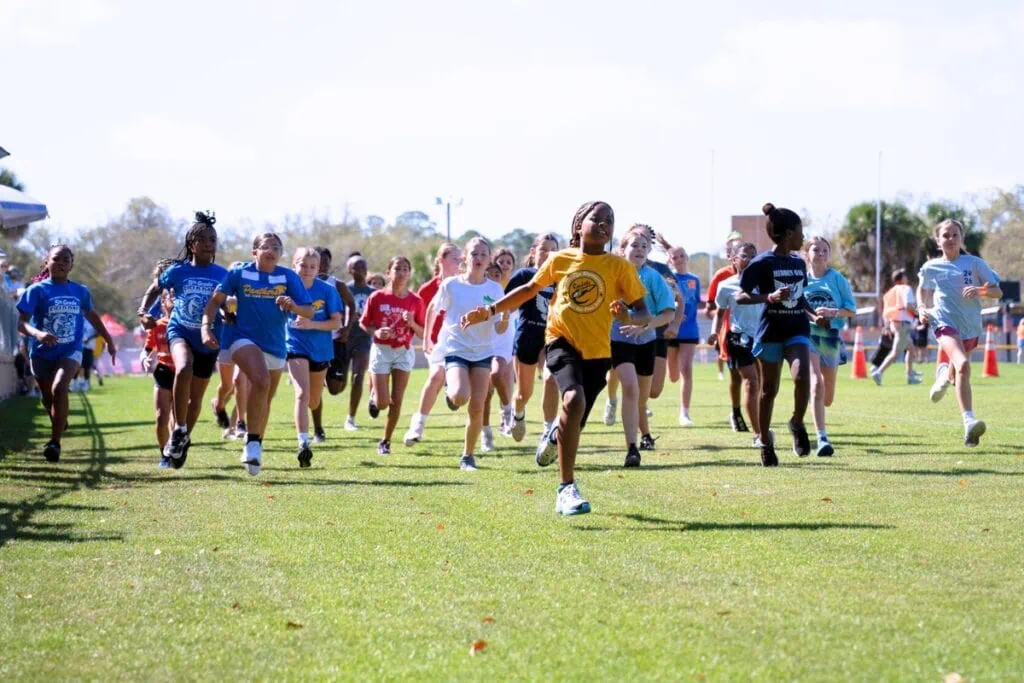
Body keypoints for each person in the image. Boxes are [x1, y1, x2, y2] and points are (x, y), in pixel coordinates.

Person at [462, 201, 649, 515]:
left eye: (610, 220)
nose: (604, 224)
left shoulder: (620, 268)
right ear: (579, 225)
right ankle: (566, 489)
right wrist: (491, 310)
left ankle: (554, 434)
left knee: (574, 422)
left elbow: (644, 313)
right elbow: (528, 290)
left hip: (599, 353)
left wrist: (629, 315)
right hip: (561, 341)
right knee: (573, 400)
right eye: (597, 218)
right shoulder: (560, 259)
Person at [202, 232, 314, 475]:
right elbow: (214, 301)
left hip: (275, 345)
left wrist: (292, 306)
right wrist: (205, 328)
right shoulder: (239, 273)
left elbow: (308, 311)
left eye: (276, 247)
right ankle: (251, 443)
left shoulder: (287, 276)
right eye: (265, 246)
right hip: (240, 337)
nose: (271, 250)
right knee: (260, 381)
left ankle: (255, 447)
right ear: (254, 251)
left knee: (265, 398)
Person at [736, 203, 828, 467]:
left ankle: (797, 424)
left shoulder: (799, 264)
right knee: (769, 390)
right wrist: (769, 296)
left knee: (802, 375)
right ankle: (765, 442)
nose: (803, 237)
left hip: (797, 330)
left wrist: (814, 317)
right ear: (788, 234)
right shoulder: (762, 262)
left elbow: (801, 300)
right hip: (770, 333)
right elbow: (742, 296)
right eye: (800, 232)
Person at [138, 212, 228, 467]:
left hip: (209, 338)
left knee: (196, 399)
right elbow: (155, 288)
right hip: (180, 331)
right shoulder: (177, 271)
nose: (210, 244)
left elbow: (225, 304)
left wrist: (229, 315)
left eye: (213, 239)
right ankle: (177, 428)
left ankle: (184, 436)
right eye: (204, 239)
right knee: (183, 366)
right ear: (192, 244)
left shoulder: (222, 274)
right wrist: (143, 311)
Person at [16, 244, 117, 462]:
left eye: (66, 260)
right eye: (56, 259)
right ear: (47, 262)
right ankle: (60, 418)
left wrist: (109, 339)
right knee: (47, 399)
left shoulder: (80, 291)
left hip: (71, 349)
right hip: (42, 352)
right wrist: (39, 334)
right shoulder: (36, 291)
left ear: (71, 265)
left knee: (60, 387)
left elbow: (92, 316)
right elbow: (21, 324)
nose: (61, 263)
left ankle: (54, 443)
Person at [918, 219, 1001, 447]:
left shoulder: (975, 264)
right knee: (964, 364)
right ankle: (969, 421)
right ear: (938, 240)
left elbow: (997, 291)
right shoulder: (931, 267)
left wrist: (981, 289)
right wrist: (922, 308)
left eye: (955, 235)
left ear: (961, 237)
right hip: (944, 322)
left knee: (957, 373)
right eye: (945, 235)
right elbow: (923, 290)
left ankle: (944, 373)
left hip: (971, 326)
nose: (950, 239)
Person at [433, 237, 506, 470]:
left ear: (489, 260)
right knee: (460, 396)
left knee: (477, 407)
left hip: (483, 352)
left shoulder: (495, 289)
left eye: (484, 254)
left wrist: (504, 315)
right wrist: (430, 340)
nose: (479, 258)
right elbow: (435, 312)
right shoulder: (451, 285)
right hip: (457, 349)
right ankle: (450, 391)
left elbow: (500, 328)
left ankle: (468, 456)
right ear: (465, 257)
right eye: (474, 253)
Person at [610, 230, 676, 467]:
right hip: (618, 340)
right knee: (629, 387)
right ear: (623, 249)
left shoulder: (653, 277)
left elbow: (669, 312)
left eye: (644, 246)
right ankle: (632, 448)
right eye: (634, 245)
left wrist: (645, 324)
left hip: (647, 341)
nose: (639, 250)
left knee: (642, 397)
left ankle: (641, 434)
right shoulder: (612, 274)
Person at [361, 256, 425, 455]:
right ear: (388, 272)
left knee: (396, 400)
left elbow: (423, 333)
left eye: (406, 268)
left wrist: (412, 323)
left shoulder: (416, 301)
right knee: (382, 403)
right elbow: (364, 323)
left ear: (409, 274)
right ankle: (374, 397)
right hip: (382, 350)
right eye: (397, 268)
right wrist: (376, 332)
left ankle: (385, 441)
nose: (402, 272)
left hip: (404, 352)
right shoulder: (377, 297)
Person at [286, 247, 343, 467]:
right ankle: (303, 444)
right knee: (301, 393)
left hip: (321, 350)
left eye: (312, 266)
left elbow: (336, 322)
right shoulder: (285, 289)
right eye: (302, 265)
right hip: (294, 346)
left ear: (318, 268)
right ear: (294, 266)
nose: (307, 270)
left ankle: (309, 428)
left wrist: (312, 324)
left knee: (313, 400)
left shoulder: (327, 291)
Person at [403, 243, 462, 447]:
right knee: (436, 374)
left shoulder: (465, 284)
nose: (460, 262)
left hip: (461, 344)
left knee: (461, 392)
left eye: (461, 259)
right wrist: (427, 339)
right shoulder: (427, 290)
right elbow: (420, 323)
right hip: (437, 344)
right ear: (441, 260)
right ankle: (417, 426)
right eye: (455, 258)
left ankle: (486, 432)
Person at [505, 233, 561, 446]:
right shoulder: (524, 275)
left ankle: (548, 431)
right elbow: (506, 302)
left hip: (552, 337)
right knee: (523, 394)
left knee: (551, 378)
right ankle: (518, 413)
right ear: (533, 252)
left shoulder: (561, 278)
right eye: (543, 249)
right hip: (527, 336)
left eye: (553, 250)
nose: (548, 254)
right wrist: (501, 318)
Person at [803, 237, 856, 457]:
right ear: (807, 253)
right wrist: (813, 316)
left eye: (825, 250)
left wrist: (833, 313)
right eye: (816, 250)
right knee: (815, 384)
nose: (821, 254)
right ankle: (821, 437)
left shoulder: (837, 279)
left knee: (828, 396)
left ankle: (816, 407)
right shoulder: (801, 280)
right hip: (807, 336)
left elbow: (851, 310)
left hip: (831, 337)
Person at [709, 243, 763, 446]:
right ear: (734, 260)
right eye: (745, 256)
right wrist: (714, 332)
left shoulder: (765, 283)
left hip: (763, 337)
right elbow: (720, 313)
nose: (749, 260)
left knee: (766, 385)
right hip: (738, 337)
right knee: (750, 381)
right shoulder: (726, 285)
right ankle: (758, 434)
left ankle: (761, 424)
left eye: (753, 256)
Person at [322, 253, 376, 434]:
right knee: (337, 387)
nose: (361, 271)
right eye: (357, 268)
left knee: (358, 376)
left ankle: (350, 418)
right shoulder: (344, 288)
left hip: (363, 340)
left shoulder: (373, 293)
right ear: (350, 270)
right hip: (343, 340)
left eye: (363, 267)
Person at [481, 261, 515, 449]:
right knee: (485, 394)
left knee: (496, 373)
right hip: (481, 344)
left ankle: (507, 409)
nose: (495, 277)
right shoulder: (479, 292)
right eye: (491, 273)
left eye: (497, 274)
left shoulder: (503, 296)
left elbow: (501, 329)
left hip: (501, 343)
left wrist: (504, 317)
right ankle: (486, 434)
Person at [316, 247, 357, 402]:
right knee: (314, 385)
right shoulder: (303, 283)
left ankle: (331, 372)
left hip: (335, 339)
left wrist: (346, 328)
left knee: (335, 388)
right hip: (313, 338)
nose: (323, 265)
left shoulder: (337, 284)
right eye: (320, 261)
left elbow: (351, 305)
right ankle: (317, 426)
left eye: (326, 261)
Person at [666, 246, 701, 426]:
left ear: (686, 257)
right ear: (670, 260)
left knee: (686, 369)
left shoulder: (695, 280)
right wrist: (675, 314)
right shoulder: (668, 279)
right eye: (674, 257)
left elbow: (698, 302)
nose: (678, 259)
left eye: (681, 256)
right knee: (673, 376)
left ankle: (684, 413)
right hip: (672, 330)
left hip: (690, 330)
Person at [142, 291, 175, 466]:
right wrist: (145, 360)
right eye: (171, 297)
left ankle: (174, 449)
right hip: (163, 371)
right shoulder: (157, 325)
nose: (175, 300)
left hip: (183, 375)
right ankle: (164, 454)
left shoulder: (188, 325)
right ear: (163, 302)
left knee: (177, 419)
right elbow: (148, 348)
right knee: (161, 416)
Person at [872, 269, 920, 385]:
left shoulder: (890, 292)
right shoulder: (906, 289)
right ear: (902, 279)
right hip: (903, 324)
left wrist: (887, 326)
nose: (907, 278)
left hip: (895, 324)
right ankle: (878, 372)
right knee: (895, 353)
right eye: (905, 276)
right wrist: (919, 313)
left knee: (911, 349)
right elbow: (908, 306)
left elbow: (886, 312)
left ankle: (910, 375)